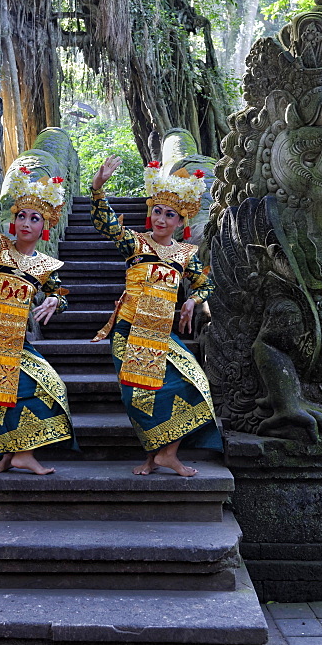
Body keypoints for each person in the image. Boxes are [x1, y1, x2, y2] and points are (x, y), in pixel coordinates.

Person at [91, 154, 221, 477]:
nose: (161, 219)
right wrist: (97, 188)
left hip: (162, 332)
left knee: (194, 384)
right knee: (139, 396)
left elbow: (205, 284)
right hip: (129, 329)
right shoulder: (135, 243)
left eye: (170, 215)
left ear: (180, 222)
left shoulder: (185, 255)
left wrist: (192, 302)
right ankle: (154, 458)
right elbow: (106, 225)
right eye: (157, 211)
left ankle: (167, 455)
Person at [0, 151, 75, 474]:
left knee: (51, 385)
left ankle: (11, 454)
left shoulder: (46, 267)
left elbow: (60, 294)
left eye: (35, 219)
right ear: (14, 219)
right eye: (23, 216)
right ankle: (21, 455)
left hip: (16, 342)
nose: (26, 223)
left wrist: (54, 302)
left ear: (44, 227)